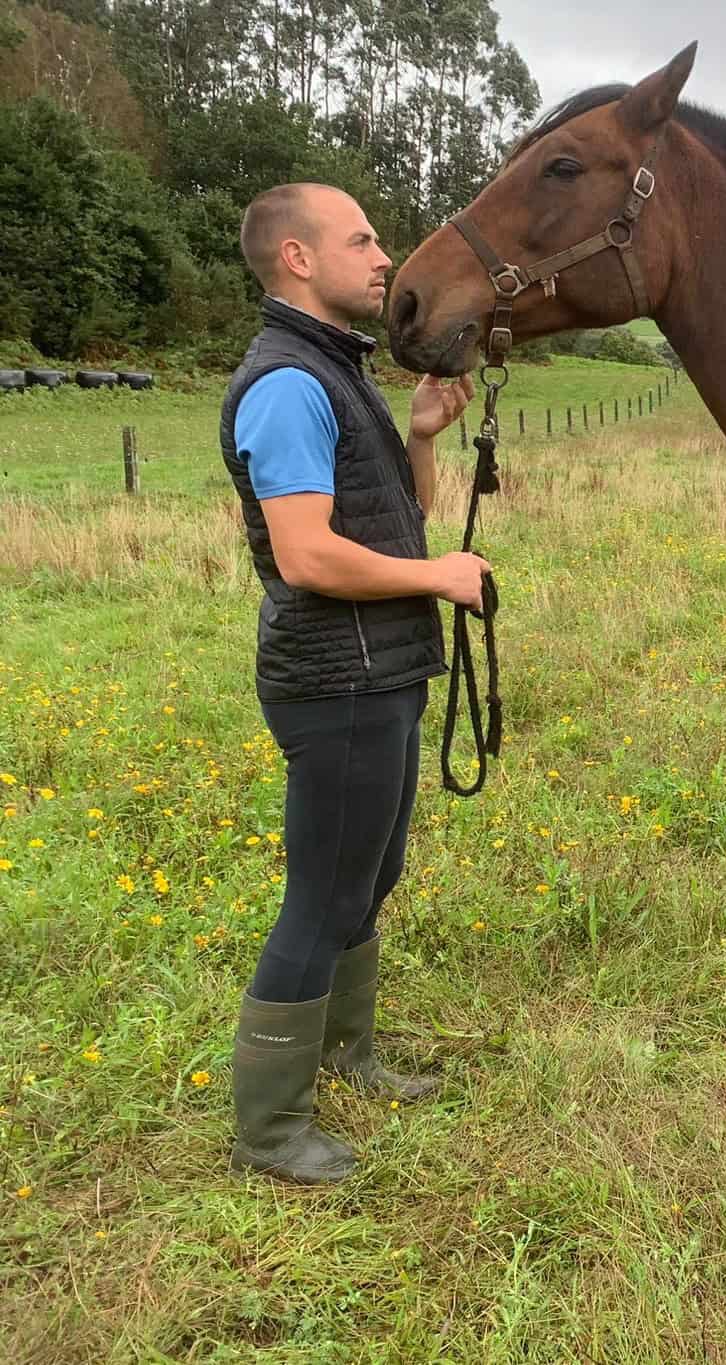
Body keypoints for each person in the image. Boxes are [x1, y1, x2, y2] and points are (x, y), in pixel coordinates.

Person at [218, 182, 486, 1183]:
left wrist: (418, 437)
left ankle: (350, 1057)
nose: (385, 257)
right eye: (362, 238)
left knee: (366, 880)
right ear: (296, 258)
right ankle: (271, 1134)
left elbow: (395, 522)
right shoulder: (288, 384)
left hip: (380, 671)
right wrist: (439, 579)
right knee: (322, 897)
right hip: (336, 681)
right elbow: (307, 557)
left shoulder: (334, 370)